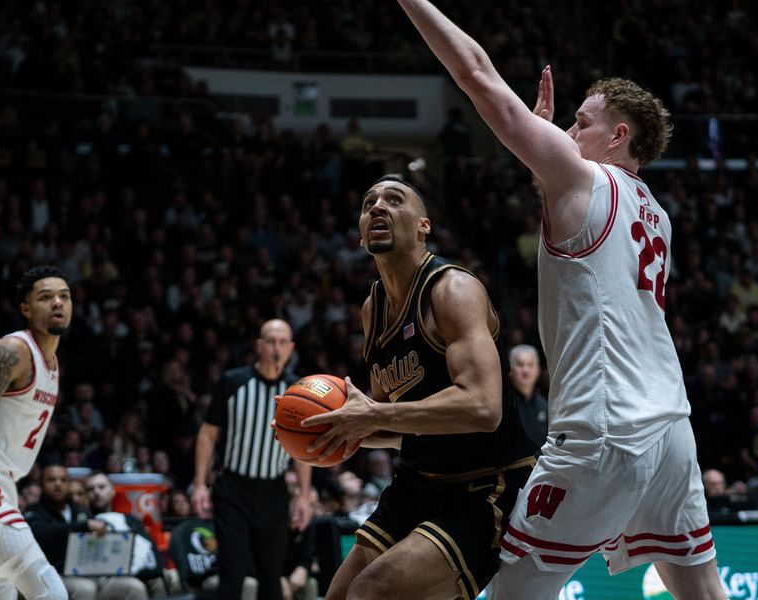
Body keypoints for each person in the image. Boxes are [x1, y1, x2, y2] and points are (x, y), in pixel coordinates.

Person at [394, 2, 726, 598]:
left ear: (618, 134)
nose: (568, 133)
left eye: (580, 122)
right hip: (672, 428)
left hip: (604, 430)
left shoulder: (581, 178)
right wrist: (544, 156)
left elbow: (476, 75)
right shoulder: (657, 214)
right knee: (703, 593)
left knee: (512, 592)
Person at [301, 174, 538, 600]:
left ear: (423, 225)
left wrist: (373, 416)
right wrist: (340, 429)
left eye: (394, 200)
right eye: (368, 201)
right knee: (337, 596)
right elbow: (407, 423)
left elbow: (483, 407)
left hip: (484, 486)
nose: (378, 206)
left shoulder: (453, 289)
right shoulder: (373, 309)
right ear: (359, 234)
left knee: (370, 592)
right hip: (418, 483)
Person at [191, 319, 313, 600]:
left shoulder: (297, 390)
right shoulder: (233, 382)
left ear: (291, 348)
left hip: (274, 491)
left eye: (283, 342)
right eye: (271, 341)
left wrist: (304, 495)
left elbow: (302, 447)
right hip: (233, 489)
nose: (276, 348)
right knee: (232, 576)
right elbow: (208, 434)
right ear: (259, 345)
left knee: (271, 578)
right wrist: (199, 484)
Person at [0, 265, 72, 600]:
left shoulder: (52, 364)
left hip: (8, 483)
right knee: (50, 591)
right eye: (45, 297)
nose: (57, 302)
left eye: (64, 296)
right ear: (26, 309)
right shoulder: (13, 351)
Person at [25, 465, 145, 599]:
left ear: (69, 484)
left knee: (134, 586)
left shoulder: (79, 509)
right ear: (41, 484)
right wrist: (83, 526)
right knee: (85, 588)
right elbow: (42, 533)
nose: (58, 484)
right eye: (51, 480)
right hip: (53, 575)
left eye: (63, 480)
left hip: (90, 573)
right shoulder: (34, 512)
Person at [85, 471, 162, 598]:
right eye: (91, 489)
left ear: (113, 490)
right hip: (104, 578)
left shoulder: (129, 519)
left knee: (169, 579)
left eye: (101, 487)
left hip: (141, 570)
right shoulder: (83, 521)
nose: (97, 492)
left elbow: (148, 548)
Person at [507, 345, 548, 449]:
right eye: (520, 365)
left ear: (538, 370)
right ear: (510, 369)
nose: (525, 370)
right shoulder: (504, 402)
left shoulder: (544, 404)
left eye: (530, 365)